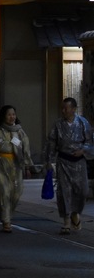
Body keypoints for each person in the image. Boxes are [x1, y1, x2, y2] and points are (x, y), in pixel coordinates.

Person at [44, 97, 93, 235]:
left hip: (79, 161)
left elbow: (90, 141)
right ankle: (66, 220)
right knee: (64, 191)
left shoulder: (83, 123)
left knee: (82, 190)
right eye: (62, 108)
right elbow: (51, 143)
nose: (64, 111)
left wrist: (83, 150)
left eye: (67, 108)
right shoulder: (58, 125)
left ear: (74, 109)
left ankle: (75, 213)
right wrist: (48, 161)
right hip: (63, 161)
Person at [0, 105, 33, 233]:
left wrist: (27, 165)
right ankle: (6, 221)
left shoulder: (19, 132)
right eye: (9, 114)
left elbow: (25, 149)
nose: (12, 117)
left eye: (13, 114)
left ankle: (8, 214)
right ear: (4, 116)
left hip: (16, 165)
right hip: (0, 165)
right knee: (4, 192)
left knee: (17, 192)